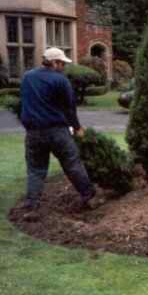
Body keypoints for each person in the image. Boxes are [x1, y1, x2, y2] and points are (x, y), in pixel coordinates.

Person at [19, 47, 95, 211]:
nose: (63, 66)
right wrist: (78, 128)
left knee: (36, 170)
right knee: (72, 163)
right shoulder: (61, 80)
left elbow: (23, 104)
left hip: (33, 133)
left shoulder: (27, 77)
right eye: (61, 63)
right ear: (53, 62)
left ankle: (32, 205)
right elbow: (69, 109)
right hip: (57, 131)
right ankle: (88, 194)